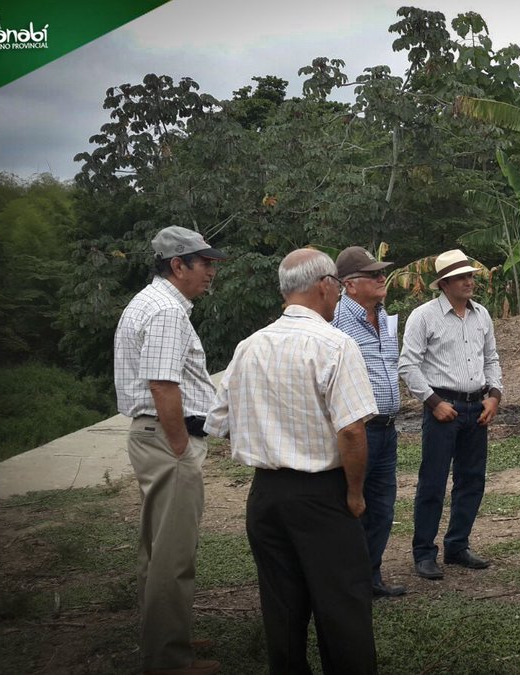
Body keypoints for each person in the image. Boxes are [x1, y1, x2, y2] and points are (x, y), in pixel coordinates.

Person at [205, 249, 378, 674]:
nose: (337, 294)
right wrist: (354, 493)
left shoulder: (249, 347)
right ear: (324, 285)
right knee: (342, 604)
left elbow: (218, 420)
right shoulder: (335, 345)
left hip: (265, 495)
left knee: (282, 608)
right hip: (321, 495)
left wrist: (269, 429)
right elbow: (352, 430)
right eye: (337, 285)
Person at [114, 226, 226, 675]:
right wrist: (180, 447)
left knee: (157, 549)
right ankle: (168, 661)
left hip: (154, 438)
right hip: (166, 441)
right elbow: (163, 383)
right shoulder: (165, 312)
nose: (211, 272)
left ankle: (166, 635)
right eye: (205, 264)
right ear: (177, 265)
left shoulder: (154, 303)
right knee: (172, 555)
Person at [399, 249, 502, 580]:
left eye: (471, 276)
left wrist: (495, 395)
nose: (470, 281)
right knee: (433, 480)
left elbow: (491, 358)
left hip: (477, 406)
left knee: (471, 479)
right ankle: (424, 552)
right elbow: (408, 364)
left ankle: (458, 546)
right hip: (443, 406)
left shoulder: (481, 315)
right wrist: (433, 402)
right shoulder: (424, 316)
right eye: (462, 277)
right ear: (443, 283)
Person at [332, 245, 406, 599]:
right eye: (373, 275)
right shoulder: (335, 323)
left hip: (388, 429)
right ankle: (350, 583)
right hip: (357, 430)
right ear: (349, 285)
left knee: (382, 507)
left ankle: (370, 577)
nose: (382, 279)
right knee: (353, 505)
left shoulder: (385, 317)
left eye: (382, 273)